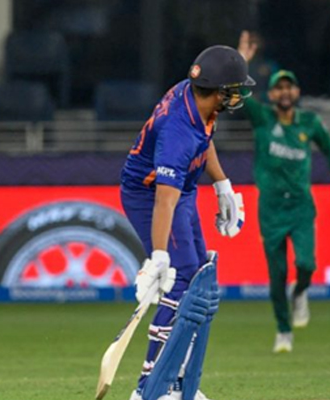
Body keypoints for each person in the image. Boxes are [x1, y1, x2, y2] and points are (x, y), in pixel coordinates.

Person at [121, 45, 253, 400]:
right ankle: (149, 388)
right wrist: (159, 257)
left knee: (197, 281)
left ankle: (179, 385)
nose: (237, 96)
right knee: (178, 285)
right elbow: (165, 197)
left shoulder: (198, 97)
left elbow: (204, 139)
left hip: (183, 189)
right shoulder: (178, 132)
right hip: (150, 195)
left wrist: (222, 184)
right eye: (234, 90)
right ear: (218, 90)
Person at [237, 31, 330, 353]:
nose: (285, 92)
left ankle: (301, 292)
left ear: (297, 92)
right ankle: (283, 330)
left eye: (289, 86)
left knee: (306, 264)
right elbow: (241, 95)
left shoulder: (309, 122)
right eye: (279, 87)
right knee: (277, 275)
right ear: (271, 94)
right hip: (270, 209)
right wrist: (242, 60)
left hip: (301, 207)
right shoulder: (262, 119)